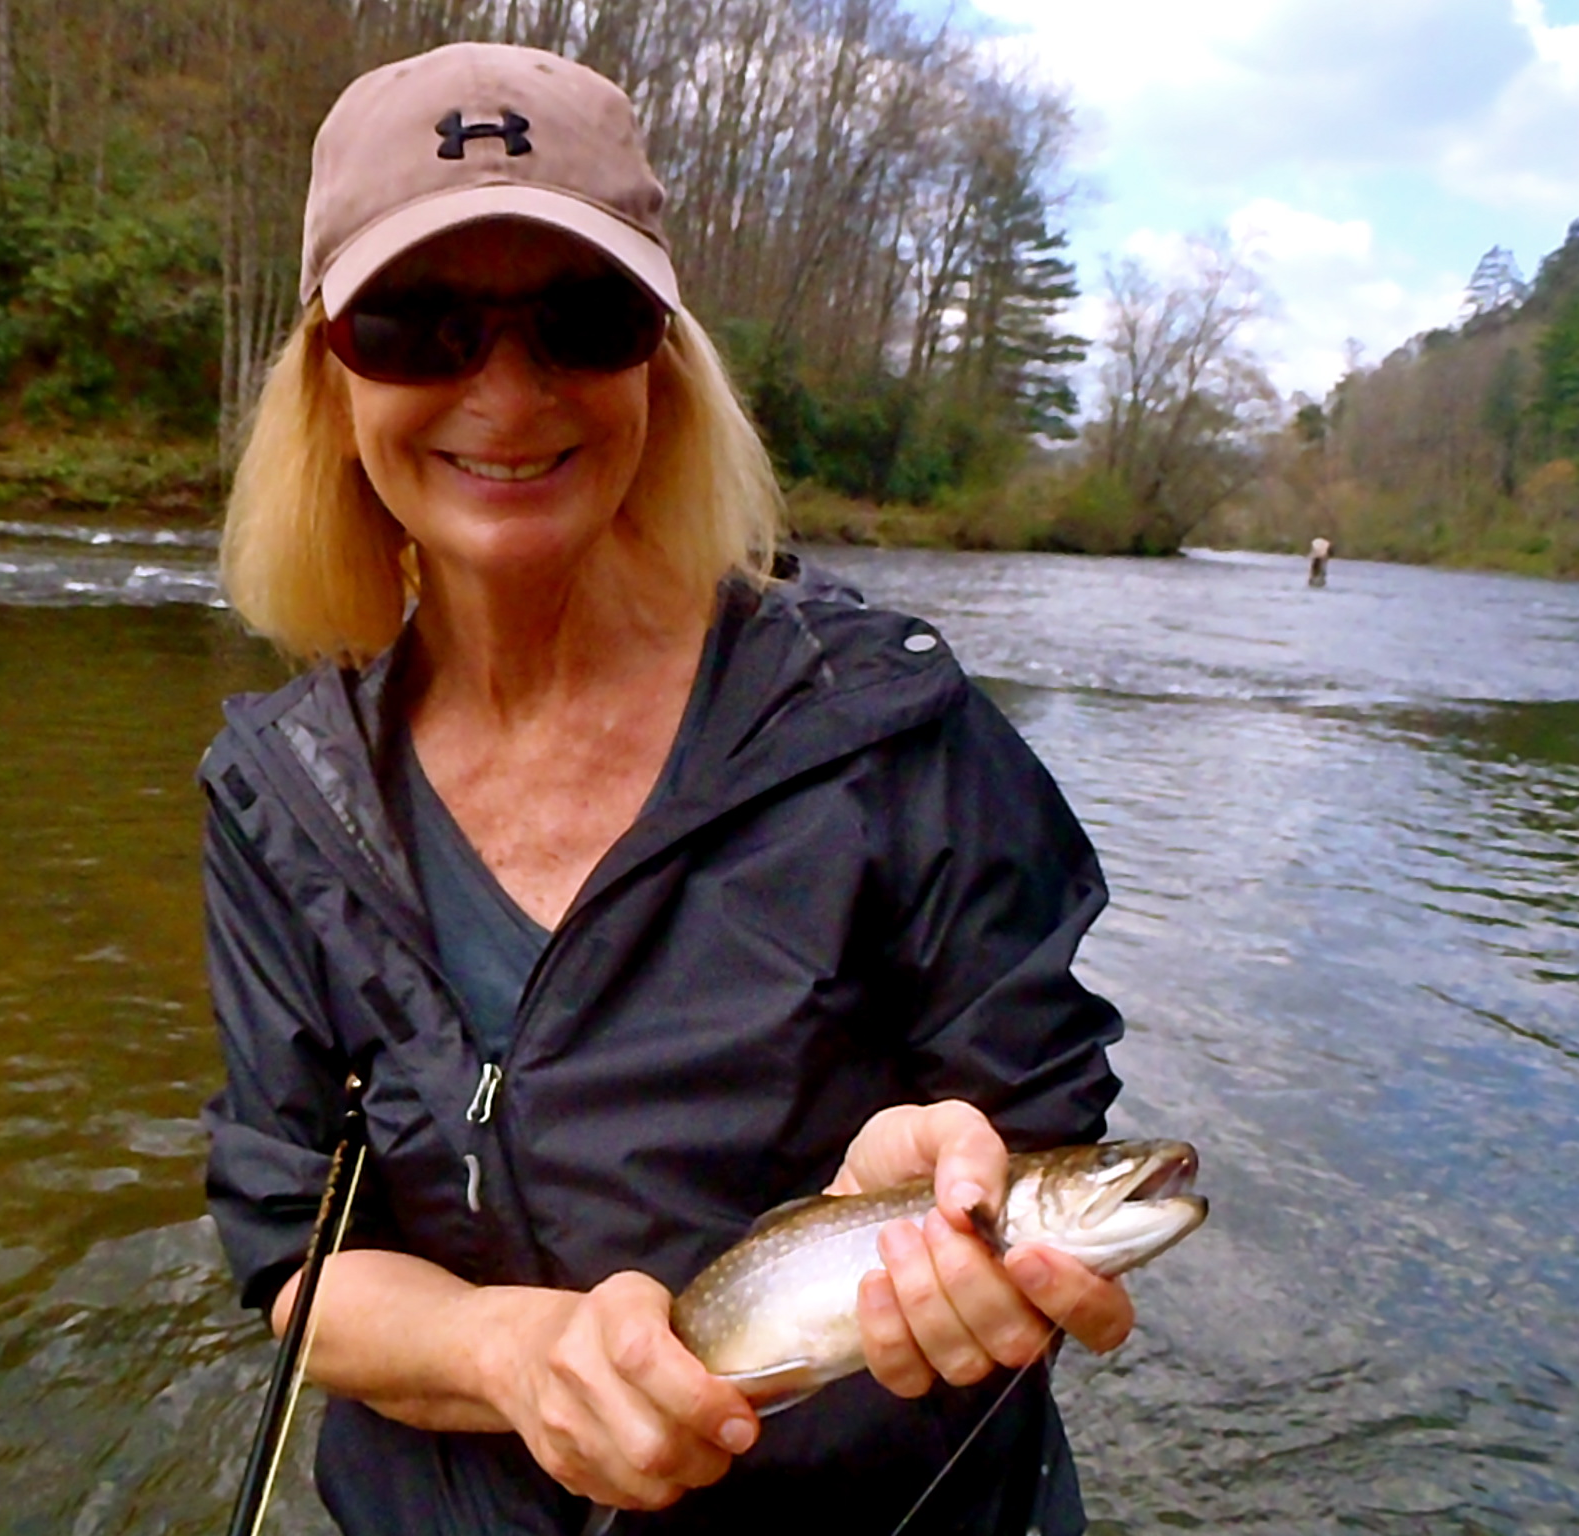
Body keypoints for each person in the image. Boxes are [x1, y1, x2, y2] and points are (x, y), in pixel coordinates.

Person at [201, 41, 1134, 1536]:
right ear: (330, 373)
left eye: (582, 317)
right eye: (417, 323)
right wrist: (512, 1352)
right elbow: (295, 1260)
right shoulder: (275, 792)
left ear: (663, 358)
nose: (506, 392)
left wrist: (923, 1194)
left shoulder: (890, 730)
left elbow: (1043, 1143)